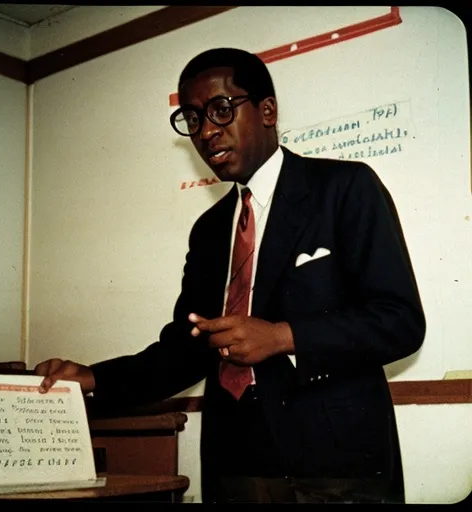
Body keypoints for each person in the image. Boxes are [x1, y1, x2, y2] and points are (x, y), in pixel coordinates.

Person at [35, 47, 425, 504]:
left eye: (221, 109)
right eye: (193, 118)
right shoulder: (209, 230)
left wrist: (283, 336)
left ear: (267, 110)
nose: (206, 131)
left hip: (337, 467)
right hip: (234, 466)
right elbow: (186, 350)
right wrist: (93, 378)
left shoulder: (345, 188)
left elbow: (400, 321)